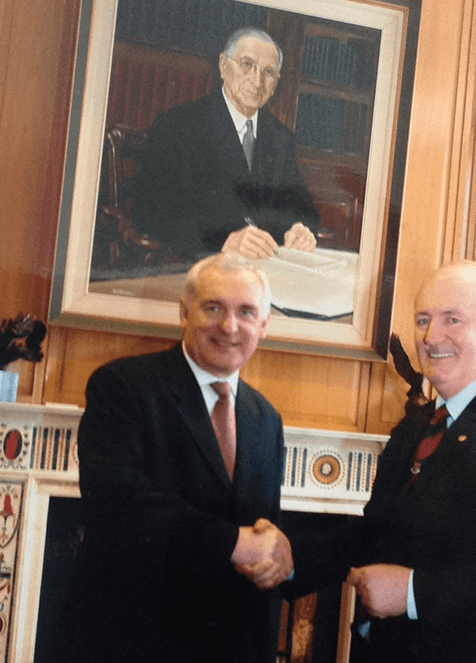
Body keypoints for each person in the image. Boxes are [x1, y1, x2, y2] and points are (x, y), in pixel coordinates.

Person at [285, 260, 476, 663]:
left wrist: (411, 593)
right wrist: (285, 558)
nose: (430, 336)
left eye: (452, 320)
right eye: (422, 319)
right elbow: (376, 534)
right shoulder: (418, 426)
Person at [49, 252, 294, 663]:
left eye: (246, 312)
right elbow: (119, 506)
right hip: (130, 641)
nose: (229, 326)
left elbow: (263, 529)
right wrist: (233, 543)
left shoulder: (265, 418)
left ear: (264, 326)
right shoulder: (122, 386)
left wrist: (279, 555)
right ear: (184, 313)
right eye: (213, 308)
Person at [131, 27, 321, 262]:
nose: (257, 80)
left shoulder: (280, 137)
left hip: (264, 271)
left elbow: (306, 211)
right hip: (198, 264)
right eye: (247, 64)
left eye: (269, 72)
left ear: (276, 83)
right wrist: (223, 240)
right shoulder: (180, 125)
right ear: (223, 65)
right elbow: (149, 213)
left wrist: (302, 231)